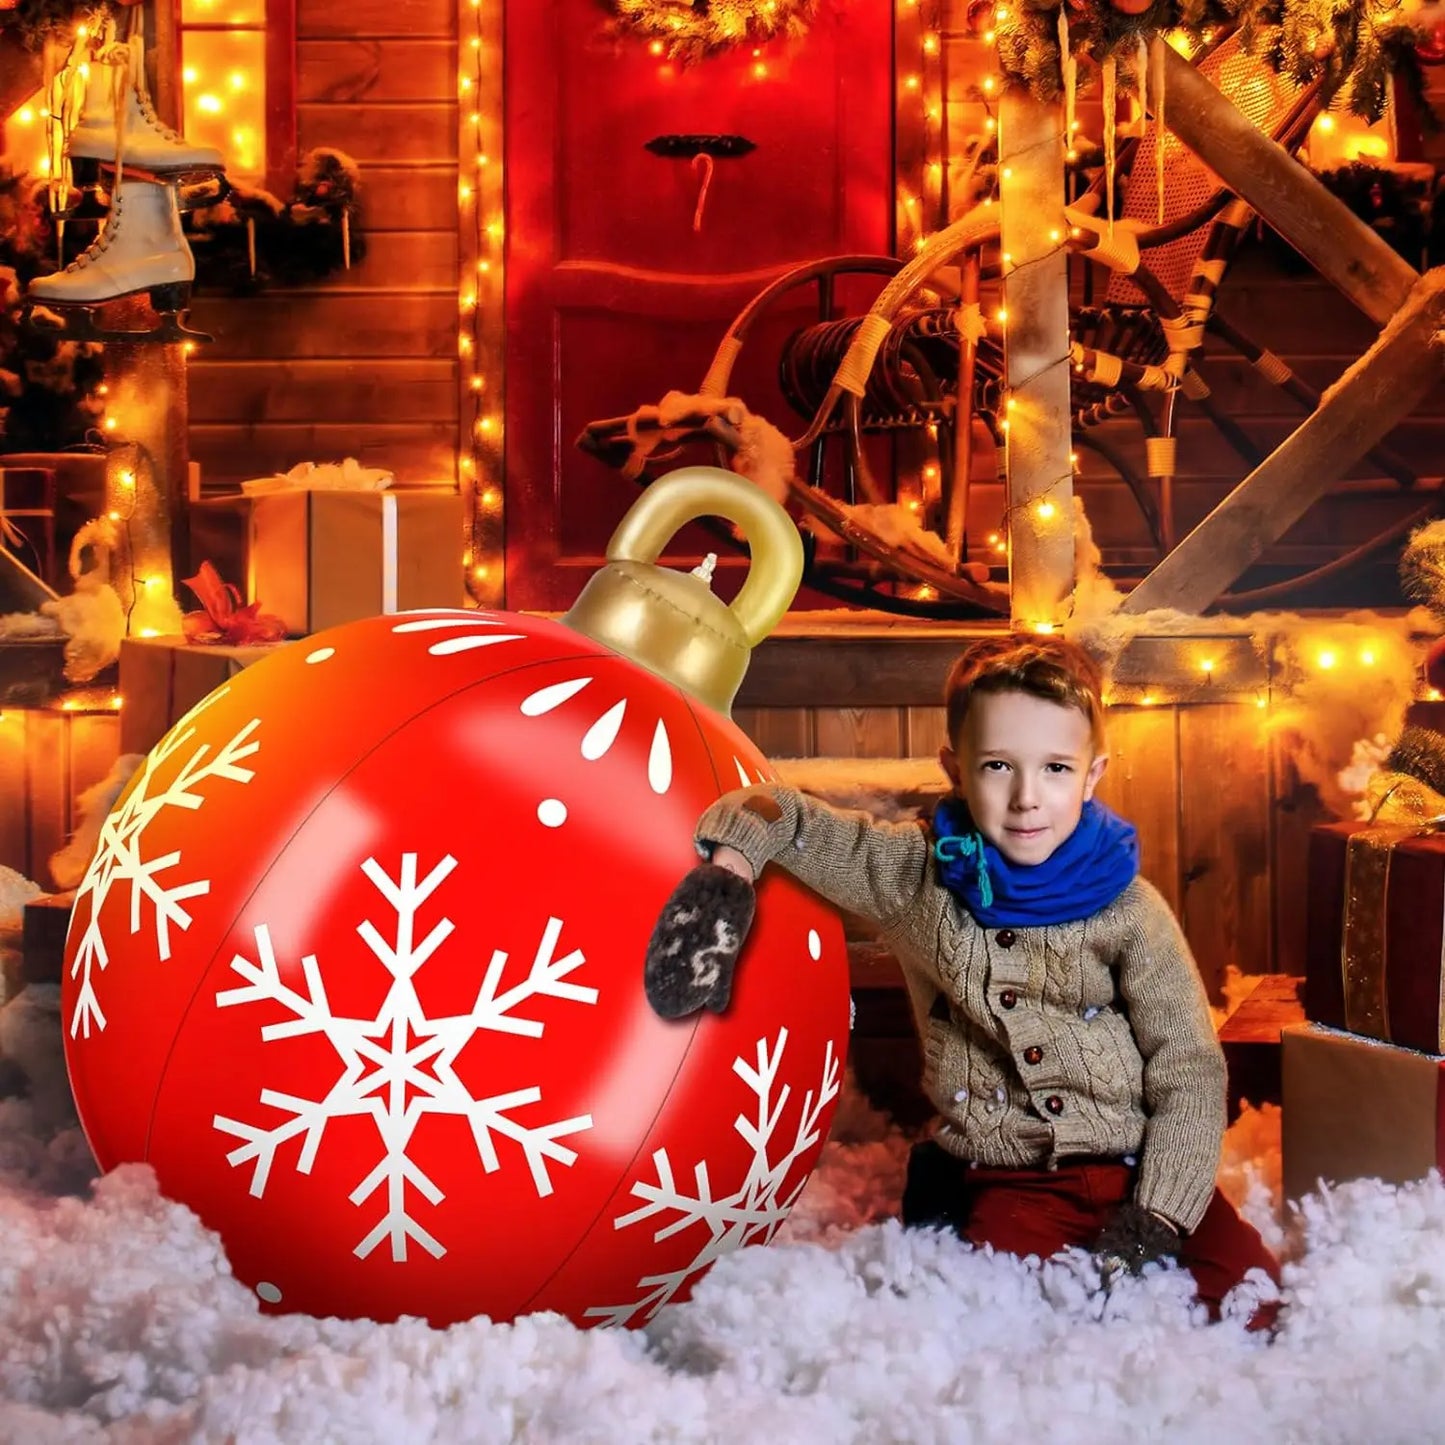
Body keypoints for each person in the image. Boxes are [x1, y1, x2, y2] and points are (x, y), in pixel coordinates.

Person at [643, 632, 1281, 1330]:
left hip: (1141, 1165)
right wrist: (728, 869)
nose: (1026, 797)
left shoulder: (1129, 910)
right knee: (1014, 1319)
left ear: (1093, 774)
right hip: (1018, 1177)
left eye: (1056, 769)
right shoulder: (915, 875)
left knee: (1253, 1298)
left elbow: (1186, 1065)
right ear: (955, 765)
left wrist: (1159, 1212)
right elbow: (785, 816)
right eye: (997, 766)